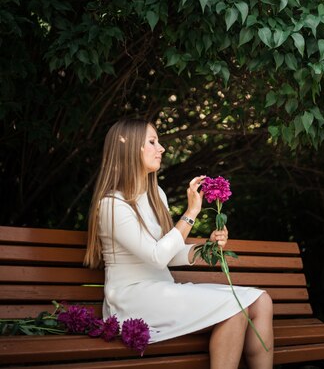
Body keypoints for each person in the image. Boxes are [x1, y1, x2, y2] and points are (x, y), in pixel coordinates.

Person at [84, 118, 273, 369]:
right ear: (127, 146)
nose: (161, 148)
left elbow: (169, 254)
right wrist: (191, 212)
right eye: (152, 142)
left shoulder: (156, 195)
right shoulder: (111, 204)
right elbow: (157, 256)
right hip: (132, 300)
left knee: (261, 301)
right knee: (234, 307)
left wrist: (206, 248)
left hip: (163, 291)